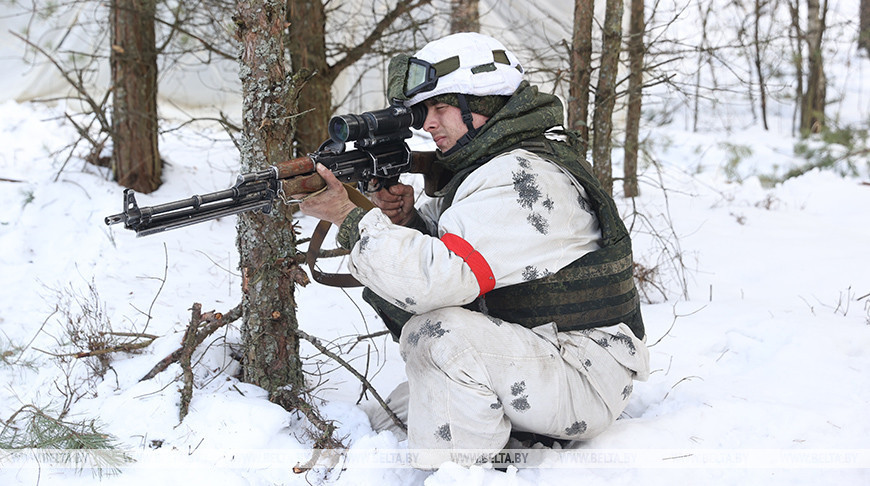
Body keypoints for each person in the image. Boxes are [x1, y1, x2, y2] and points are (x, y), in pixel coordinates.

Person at [296, 32, 649, 468]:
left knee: (437, 338)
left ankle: (459, 474)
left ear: (482, 105)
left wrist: (348, 217)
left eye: (440, 108)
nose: (427, 125)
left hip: (582, 375)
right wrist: (409, 222)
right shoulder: (491, 166)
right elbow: (463, 248)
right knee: (387, 418)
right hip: (546, 351)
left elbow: (436, 283)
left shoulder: (521, 176)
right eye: (424, 112)